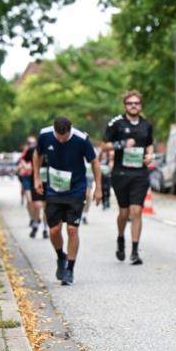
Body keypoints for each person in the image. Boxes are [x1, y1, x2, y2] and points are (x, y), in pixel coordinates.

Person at [33, 116, 102, 286]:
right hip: (54, 189)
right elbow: (37, 154)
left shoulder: (81, 139)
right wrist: (36, 177)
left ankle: (70, 268)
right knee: (54, 230)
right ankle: (60, 257)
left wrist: (98, 187)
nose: (61, 140)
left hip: (76, 189)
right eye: (58, 136)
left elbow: (94, 162)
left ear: (70, 129)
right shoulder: (45, 135)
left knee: (72, 229)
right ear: (54, 130)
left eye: (65, 136)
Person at [102, 90, 155, 264]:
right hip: (121, 173)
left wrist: (150, 157)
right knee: (124, 213)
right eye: (130, 103)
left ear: (141, 105)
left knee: (136, 211)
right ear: (125, 105)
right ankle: (120, 238)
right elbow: (104, 146)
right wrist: (122, 144)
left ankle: (134, 251)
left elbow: (149, 145)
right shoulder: (116, 123)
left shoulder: (146, 124)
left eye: (137, 103)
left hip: (140, 174)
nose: (134, 106)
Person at [17, 136, 45, 237]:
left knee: (45, 206)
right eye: (30, 143)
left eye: (33, 142)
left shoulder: (51, 149)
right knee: (32, 202)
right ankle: (34, 220)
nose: (31, 144)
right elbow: (21, 161)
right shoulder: (30, 150)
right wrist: (26, 166)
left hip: (45, 180)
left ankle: (43, 227)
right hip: (30, 179)